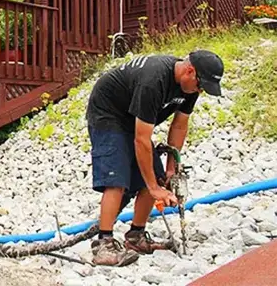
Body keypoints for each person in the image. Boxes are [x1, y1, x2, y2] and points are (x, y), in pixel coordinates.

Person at [86, 50, 224, 266]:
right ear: (190, 71)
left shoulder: (191, 88)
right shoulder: (154, 80)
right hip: (109, 113)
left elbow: (179, 125)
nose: (200, 91)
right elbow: (141, 140)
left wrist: (171, 169)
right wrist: (152, 187)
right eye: (200, 86)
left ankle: (136, 236)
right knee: (116, 180)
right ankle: (103, 245)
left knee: (158, 178)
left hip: (134, 117)